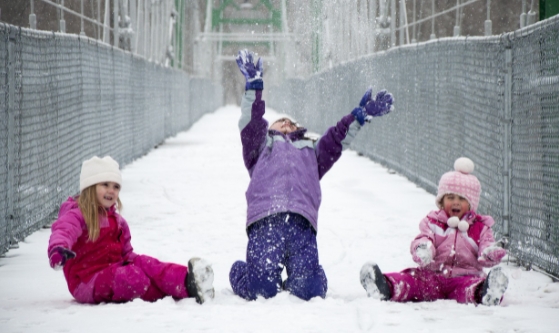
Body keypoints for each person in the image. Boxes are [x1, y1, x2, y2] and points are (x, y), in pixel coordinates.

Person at [229, 49, 395, 301]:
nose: (286, 125)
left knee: (310, 291)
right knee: (261, 290)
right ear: (269, 130)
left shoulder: (312, 153)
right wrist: (254, 86)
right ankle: (242, 272)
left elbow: (336, 139)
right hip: (266, 221)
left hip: (301, 223)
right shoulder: (259, 148)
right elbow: (252, 120)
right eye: (280, 122)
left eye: (291, 124)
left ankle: (312, 276)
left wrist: (358, 117)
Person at [47, 156, 215, 304]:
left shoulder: (119, 222)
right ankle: (172, 291)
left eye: (116, 186)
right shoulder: (77, 214)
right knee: (132, 277)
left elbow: (126, 254)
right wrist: (58, 250)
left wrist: (144, 265)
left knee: (148, 265)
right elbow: (63, 230)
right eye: (105, 184)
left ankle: (187, 281)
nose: (111, 191)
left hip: (113, 270)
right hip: (86, 281)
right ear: (90, 187)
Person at [360, 157, 509, 306]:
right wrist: (423, 249)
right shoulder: (433, 222)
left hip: (464, 277)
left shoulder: (480, 227)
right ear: (442, 201)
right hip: (432, 276)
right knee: (411, 281)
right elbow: (424, 237)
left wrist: (491, 252)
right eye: (450, 197)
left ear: (471, 204)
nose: (456, 202)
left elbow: (486, 248)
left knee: (468, 289)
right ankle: (385, 286)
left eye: (462, 199)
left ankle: (486, 292)